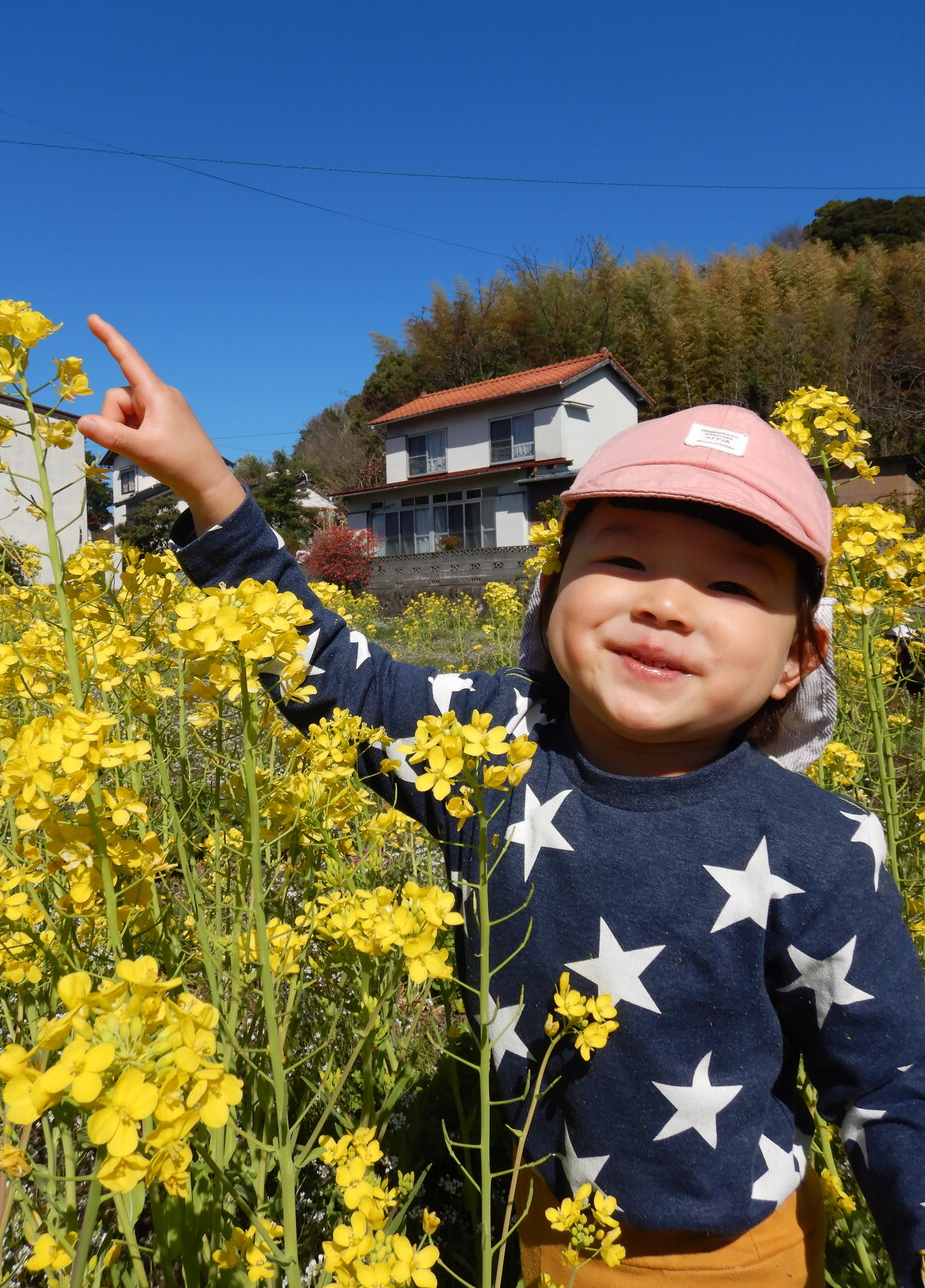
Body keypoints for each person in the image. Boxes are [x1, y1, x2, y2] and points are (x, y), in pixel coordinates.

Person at [78, 316, 925, 1287]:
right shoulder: (491, 742)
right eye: (626, 561)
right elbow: (332, 675)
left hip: (736, 1254)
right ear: (550, 591)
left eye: (729, 583)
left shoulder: (823, 842)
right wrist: (209, 485)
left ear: (797, 659)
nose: (665, 604)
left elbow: (896, 1093)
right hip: (534, 1222)